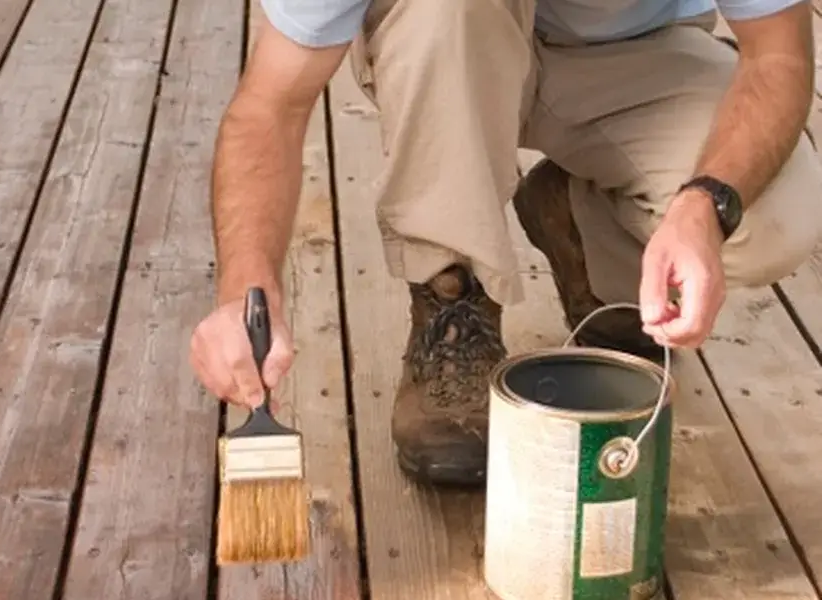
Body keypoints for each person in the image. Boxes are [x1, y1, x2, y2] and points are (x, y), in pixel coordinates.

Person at [190, 0, 822, 487]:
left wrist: (703, 207)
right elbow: (271, 105)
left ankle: (581, 230)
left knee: (773, 215)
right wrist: (244, 288)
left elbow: (779, 59)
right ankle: (451, 295)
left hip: (632, 55)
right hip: (447, 46)